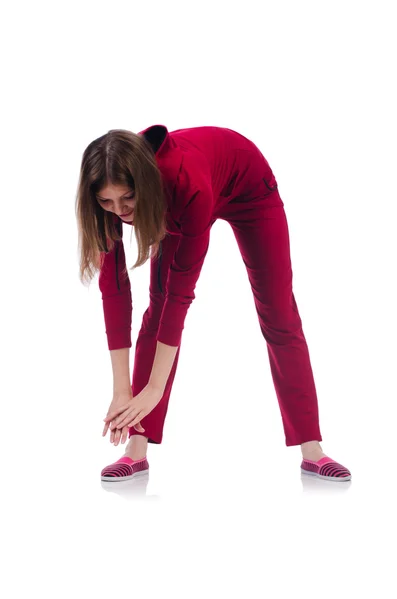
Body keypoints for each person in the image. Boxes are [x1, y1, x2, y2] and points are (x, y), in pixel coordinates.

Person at [75, 124, 352, 483]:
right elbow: (114, 292)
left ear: (143, 183)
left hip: (249, 187)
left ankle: (312, 448)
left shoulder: (187, 187)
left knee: (278, 312)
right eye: (106, 202)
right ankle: (136, 449)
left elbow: (180, 295)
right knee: (154, 311)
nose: (120, 211)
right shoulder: (109, 191)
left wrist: (154, 389)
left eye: (128, 199)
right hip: (183, 189)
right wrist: (122, 392)